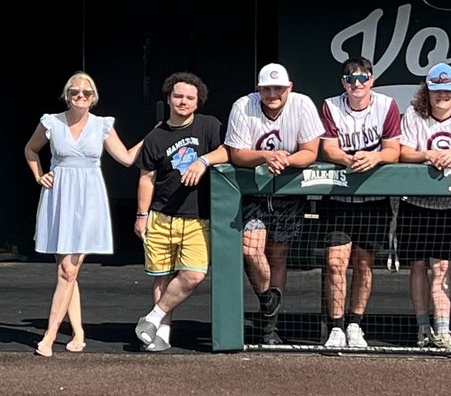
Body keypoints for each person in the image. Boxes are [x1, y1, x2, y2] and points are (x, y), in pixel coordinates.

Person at [23, 71, 142, 356]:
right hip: (59, 197)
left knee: (69, 269)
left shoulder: (102, 125)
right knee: (67, 271)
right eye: (75, 92)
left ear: (94, 97)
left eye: (86, 93)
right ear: (67, 94)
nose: (80, 96)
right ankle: (78, 333)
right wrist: (39, 175)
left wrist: (154, 138)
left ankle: (49, 336)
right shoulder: (50, 121)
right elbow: (30, 148)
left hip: (89, 199)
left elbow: (126, 158)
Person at [225, 63, 324, 345]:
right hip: (255, 191)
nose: (272, 94)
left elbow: (310, 152)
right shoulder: (243, 106)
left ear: (288, 88)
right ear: (259, 90)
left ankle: (270, 327)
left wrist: (285, 160)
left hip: (289, 191)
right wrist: (267, 157)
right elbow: (237, 154)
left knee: (278, 256)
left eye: (278, 88)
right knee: (251, 249)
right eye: (267, 88)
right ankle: (269, 299)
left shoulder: (302, 104)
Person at [132, 72, 228, 352]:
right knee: (162, 276)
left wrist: (204, 160)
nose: (183, 102)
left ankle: (153, 316)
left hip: (197, 218)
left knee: (194, 274)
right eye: (178, 96)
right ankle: (162, 333)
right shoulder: (155, 136)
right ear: (169, 99)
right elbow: (146, 178)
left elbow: (228, 151)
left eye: (189, 97)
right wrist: (141, 215)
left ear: (198, 102)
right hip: (161, 216)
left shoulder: (209, 126)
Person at [397, 62, 451, 350]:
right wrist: (429, 154)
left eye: (447, 91)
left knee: (442, 267)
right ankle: (422, 327)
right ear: (428, 91)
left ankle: (443, 330)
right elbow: (403, 153)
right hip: (414, 202)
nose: (442, 96)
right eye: (437, 91)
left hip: (448, 205)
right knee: (418, 266)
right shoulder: (414, 114)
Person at [317, 57, 402, 348]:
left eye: (362, 78)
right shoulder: (331, 105)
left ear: (372, 80)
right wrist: (349, 159)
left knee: (365, 264)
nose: (357, 84)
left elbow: (393, 149)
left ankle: (355, 324)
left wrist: (375, 157)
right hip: (339, 197)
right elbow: (328, 148)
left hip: (374, 198)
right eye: (351, 79)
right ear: (343, 83)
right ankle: (336, 327)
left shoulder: (386, 105)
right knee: (335, 263)